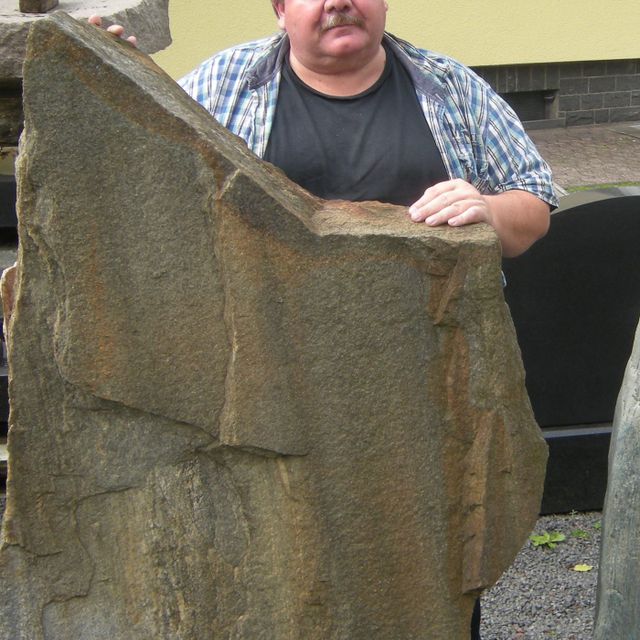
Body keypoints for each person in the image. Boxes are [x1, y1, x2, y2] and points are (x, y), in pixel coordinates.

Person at [91, 3, 557, 637]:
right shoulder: (225, 85)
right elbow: (150, 194)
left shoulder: (449, 87)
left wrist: (489, 210)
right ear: (282, 8)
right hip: (264, 392)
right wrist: (110, 78)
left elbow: (533, 205)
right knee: (280, 571)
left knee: (429, 573)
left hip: (429, 392)